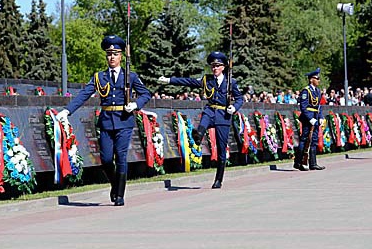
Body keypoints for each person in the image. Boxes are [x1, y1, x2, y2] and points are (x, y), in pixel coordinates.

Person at [65, 33, 152, 206]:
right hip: (106, 122)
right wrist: (67, 111)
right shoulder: (99, 77)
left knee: (120, 158)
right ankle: (115, 184)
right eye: (109, 54)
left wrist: (135, 105)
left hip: (124, 121)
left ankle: (119, 195)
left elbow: (146, 94)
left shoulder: (131, 76)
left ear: (121, 56)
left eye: (115, 54)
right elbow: (84, 94)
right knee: (105, 159)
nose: (112, 57)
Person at [161, 49, 243, 190]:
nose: (214, 68)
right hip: (210, 110)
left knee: (222, 149)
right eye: (212, 66)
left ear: (223, 67)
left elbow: (240, 98)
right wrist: (170, 80)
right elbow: (189, 81)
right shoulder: (206, 80)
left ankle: (218, 179)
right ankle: (198, 136)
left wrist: (234, 108)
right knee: (202, 123)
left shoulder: (231, 82)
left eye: (217, 66)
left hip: (223, 115)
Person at [294, 67, 323, 172]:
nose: (319, 80)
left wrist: (320, 118)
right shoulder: (306, 91)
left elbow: (319, 106)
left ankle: (313, 163)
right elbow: (303, 106)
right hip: (308, 118)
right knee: (304, 140)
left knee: (314, 140)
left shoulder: (318, 91)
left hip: (315, 117)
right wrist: (310, 118)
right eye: (317, 78)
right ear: (311, 79)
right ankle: (298, 162)